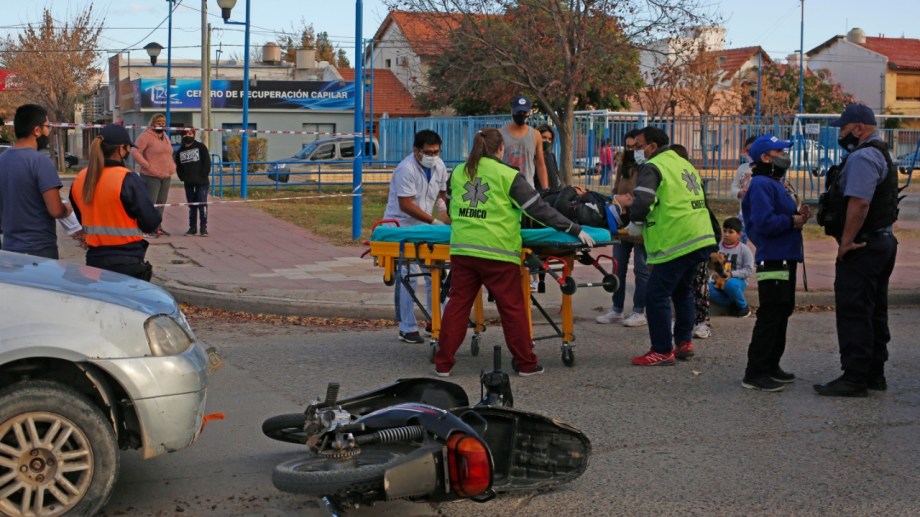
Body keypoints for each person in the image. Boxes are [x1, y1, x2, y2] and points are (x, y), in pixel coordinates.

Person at [433, 128, 597, 377]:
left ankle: (443, 364)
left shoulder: (458, 172)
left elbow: (452, 204)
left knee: (457, 306)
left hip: (463, 250)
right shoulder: (508, 175)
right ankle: (526, 364)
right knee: (512, 309)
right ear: (501, 149)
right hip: (497, 253)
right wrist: (573, 228)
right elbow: (539, 210)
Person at [814, 104, 899, 397]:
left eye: (843, 128)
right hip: (881, 241)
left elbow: (860, 202)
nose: (841, 134)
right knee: (874, 309)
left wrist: (847, 241)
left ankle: (854, 377)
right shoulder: (882, 151)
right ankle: (874, 373)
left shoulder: (863, 157)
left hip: (863, 245)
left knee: (855, 311)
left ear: (859, 128)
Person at [626, 127, 716, 366]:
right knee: (682, 290)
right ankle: (684, 341)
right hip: (698, 236)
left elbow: (643, 200)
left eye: (639, 146)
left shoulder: (654, 166)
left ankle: (662, 350)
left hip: (676, 238)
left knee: (656, 295)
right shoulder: (682, 163)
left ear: (652, 146)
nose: (636, 151)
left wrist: (635, 221)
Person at [741, 134, 809, 392]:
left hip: (786, 255)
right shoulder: (761, 184)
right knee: (771, 314)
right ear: (765, 157)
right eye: (779, 152)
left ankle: (771, 365)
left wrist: (798, 215)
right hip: (772, 257)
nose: (784, 156)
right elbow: (764, 223)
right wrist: (792, 221)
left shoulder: (776, 182)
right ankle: (755, 372)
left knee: (782, 311)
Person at [382, 130, 449, 344]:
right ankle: (407, 327)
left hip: (425, 226)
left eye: (436, 152)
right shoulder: (406, 169)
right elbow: (406, 204)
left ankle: (434, 320)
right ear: (416, 150)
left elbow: (442, 194)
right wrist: (434, 221)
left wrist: (444, 210)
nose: (432, 156)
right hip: (402, 226)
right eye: (428, 152)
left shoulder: (439, 166)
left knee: (435, 273)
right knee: (408, 276)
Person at [70, 124, 162, 280]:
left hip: (94, 261)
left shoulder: (81, 178)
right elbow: (151, 223)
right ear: (121, 149)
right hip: (126, 261)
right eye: (128, 148)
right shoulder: (128, 179)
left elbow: (82, 218)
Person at [0, 104, 81, 259]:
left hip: (9, 249)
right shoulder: (41, 162)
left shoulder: (2, 160)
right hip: (39, 250)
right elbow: (55, 210)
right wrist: (68, 209)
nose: (48, 131)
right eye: (47, 126)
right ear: (36, 130)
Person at [596, 129, 649, 327]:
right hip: (622, 224)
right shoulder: (623, 166)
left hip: (641, 224)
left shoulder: (649, 168)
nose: (632, 150)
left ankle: (639, 310)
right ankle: (616, 309)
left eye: (635, 146)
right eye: (628, 146)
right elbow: (616, 189)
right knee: (618, 267)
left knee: (642, 270)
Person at [131, 113, 176, 237]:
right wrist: (147, 166)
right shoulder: (145, 136)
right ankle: (148, 228)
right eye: (159, 123)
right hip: (151, 176)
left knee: (161, 203)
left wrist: (172, 166)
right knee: (151, 203)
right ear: (152, 124)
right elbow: (135, 152)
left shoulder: (165, 136)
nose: (161, 125)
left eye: (163, 123)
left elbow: (168, 153)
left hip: (166, 175)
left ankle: (158, 227)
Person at [500, 96, 548, 190]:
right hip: (505, 189)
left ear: (529, 112)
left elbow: (540, 164)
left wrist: (545, 189)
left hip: (528, 189)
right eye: (518, 111)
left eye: (524, 112)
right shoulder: (500, 134)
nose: (521, 114)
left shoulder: (535, 135)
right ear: (512, 111)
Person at [709, 217, 754, 317]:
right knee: (707, 289)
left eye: (730, 232)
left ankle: (744, 307)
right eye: (724, 231)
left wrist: (731, 274)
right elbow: (711, 265)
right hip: (718, 281)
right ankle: (732, 303)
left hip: (737, 282)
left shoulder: (744, 250)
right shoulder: (717, 247)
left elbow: (748, 270)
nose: (726, 234)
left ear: (739, 234)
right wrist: (713, 276)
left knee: (730, 284)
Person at [174, 128, 211, 236]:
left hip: (202, 183)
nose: (187, 136)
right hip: (188, 183)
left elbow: (207, 162)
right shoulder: (180, 151)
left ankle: (203, 228)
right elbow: (178, 166)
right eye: (185, 134)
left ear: (194, 134)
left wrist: (203, 174)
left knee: (202, 204)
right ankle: (192, 228)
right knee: (192, 206)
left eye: (190, 133)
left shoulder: (201, 147)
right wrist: (182, 177)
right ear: (182, 136)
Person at [730, 136, 758, 243]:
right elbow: (734, 186)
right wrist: (739, 193)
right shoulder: (742, 168)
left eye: (753, 150)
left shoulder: (767, 169)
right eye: (747, 151)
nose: (749, 154)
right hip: (744, 213)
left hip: (760, 213)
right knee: (740, 241)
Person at [537, 124, 563, 192]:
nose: (547, 141)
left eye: (549, 139)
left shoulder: (551, 156)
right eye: (544, 137)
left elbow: (556, 177)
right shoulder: (531, 157)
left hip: (553, 194)